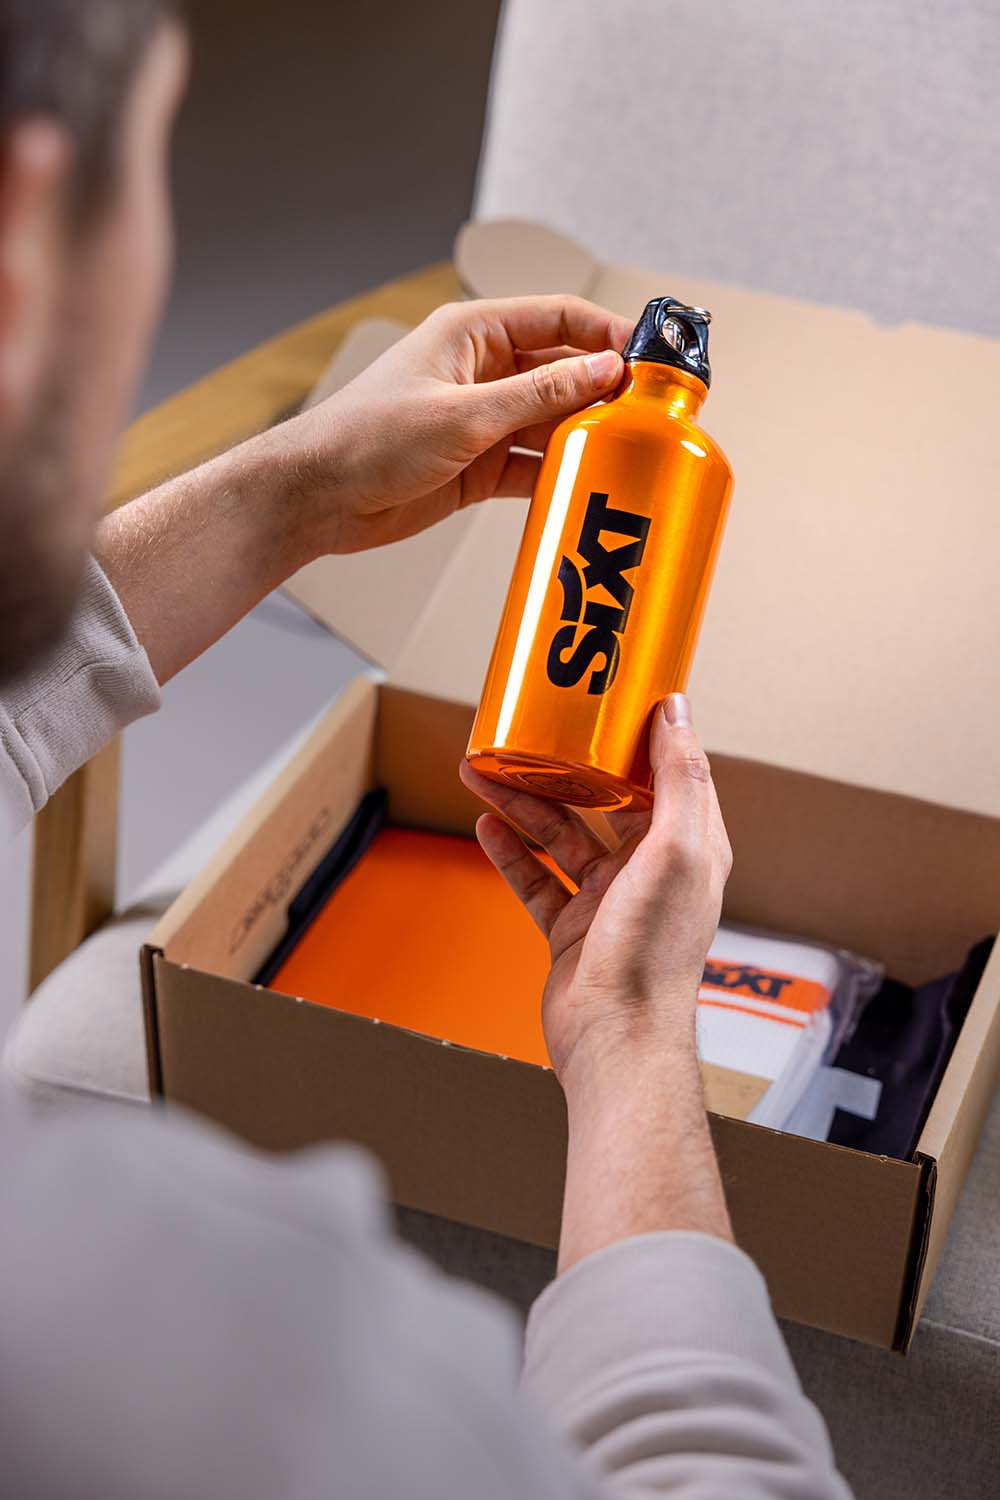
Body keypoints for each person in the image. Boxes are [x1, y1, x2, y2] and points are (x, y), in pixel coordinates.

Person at [0, 3, 851, 1496]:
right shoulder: (187, 1339)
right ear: (26, 232)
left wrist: (288, 496)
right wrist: (634, 1033)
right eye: (158, 160)